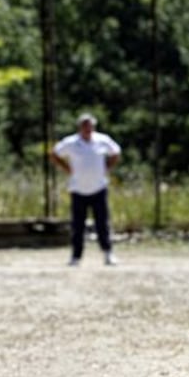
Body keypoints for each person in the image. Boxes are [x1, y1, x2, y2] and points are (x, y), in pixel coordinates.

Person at [50, 113, 121, 266]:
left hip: (99, 188)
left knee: (102, 223)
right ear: (80, 127)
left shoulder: (102, 140)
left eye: (90, 126)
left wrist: (107, 167)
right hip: (78, 189)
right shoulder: (71, 142)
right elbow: (54, 153)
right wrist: (67, 168)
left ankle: (108, 253)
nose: (88, 129)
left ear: (93, 127)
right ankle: (76, 257)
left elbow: (116, 152)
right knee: (77, 225)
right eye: (85, 126)